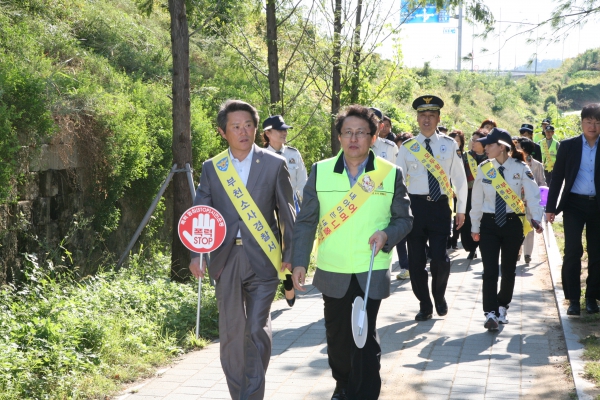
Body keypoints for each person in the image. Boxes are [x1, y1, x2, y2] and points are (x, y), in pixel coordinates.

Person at [291, 105, 412, 400]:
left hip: (370, 268)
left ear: (373, 137)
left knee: (365, 338)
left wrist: (387, 235)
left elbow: (405, 220)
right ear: (340, 137)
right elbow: (306, 220)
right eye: (348, 132)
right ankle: (343, 383)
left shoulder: (389, 173)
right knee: (338, 336)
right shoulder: (320, 172)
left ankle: (364, 393)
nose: (354, 138)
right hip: (333, 269)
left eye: (361, 132)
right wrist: (299, 262)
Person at [188, 100, 295, 399]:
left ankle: (252, 394)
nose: (243, 131)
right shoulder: (213, 168)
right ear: (223, 132)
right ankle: (240, 394)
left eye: (248, 125)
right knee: (232, 334)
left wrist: (291, 255)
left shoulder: (275, 164)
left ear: (256, 127)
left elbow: (286, 213)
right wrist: (197, 255)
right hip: (225, 259)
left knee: (256, 330)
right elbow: (201, 212)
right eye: (235, 126)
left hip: (263, 258)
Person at [396, 95, 468, 321]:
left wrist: (461, 210)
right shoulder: (408, 147)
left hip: (439, 207)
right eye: (422, 115)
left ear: (438, 118)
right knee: (416, 261)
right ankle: (424, 304)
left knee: (440, 258)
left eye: (431, 115)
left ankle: (439, 295)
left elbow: (460, 180)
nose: (426, 120)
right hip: (414, 207)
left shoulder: (449, 145)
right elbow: (398, 183)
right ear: (417, 119)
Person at [470, 128, 543, 331]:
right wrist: (474, 226)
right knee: (490, 270)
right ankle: (490, 312)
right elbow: (476, 200)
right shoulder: (484, 168)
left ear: (502, 147)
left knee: (509, 269)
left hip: (513, 224)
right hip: (489, 224)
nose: (485, 148)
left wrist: (537, 219)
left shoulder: (521, 167)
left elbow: (533, 194)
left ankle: (502, 306)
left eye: (490, 145)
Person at [546, 103, 600, 316]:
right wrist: (550, 207)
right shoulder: (569, 146)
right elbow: (557, 178)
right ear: (581, 123)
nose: (593, 126)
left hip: (597, 205)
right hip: (574, 205)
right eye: (589, 122)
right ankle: (573, 299)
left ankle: (592, 298)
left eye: (597, 122)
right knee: (572, 251)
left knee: (596, 253)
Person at [262, 114, 307, 307]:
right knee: (273, 248)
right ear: (267, 133)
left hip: (290, 208)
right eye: (280, 130)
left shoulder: (293, 154)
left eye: (285, 129)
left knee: (289, 246)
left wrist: (305, 207)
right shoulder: (259, 156)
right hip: (268, 210)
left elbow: (303, 182)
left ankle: (288, 282)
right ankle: (276, 283)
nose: (284, 133)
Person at [515, 137, 546, 264]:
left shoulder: (537, 165)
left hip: (531, 202)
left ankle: (528, 254)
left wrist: (541, 201)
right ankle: (517, 251)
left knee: (530, 228)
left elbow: (541, 183)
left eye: (518, 147)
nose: (515, 149)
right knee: (516, 228)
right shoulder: (514, 163)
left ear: (524, 149)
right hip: (516, 202)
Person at [460, 129, 488, 260]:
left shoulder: (489, 158)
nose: (473, 143)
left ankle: (481, 246)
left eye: (476, 140)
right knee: (467, 223)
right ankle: (471, 247)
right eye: (472, 139)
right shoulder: (466, 156)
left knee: (483, 220)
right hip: (468, 194)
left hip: (486, 195)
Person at [393, 132, 414, 280]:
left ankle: (418, 262)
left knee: (414, 236)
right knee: (400, 236)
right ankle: (404, 267)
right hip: (399, 198)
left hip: (416, 199)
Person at [447, 130, 465, 250]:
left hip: (459, 190)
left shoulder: (465, 156)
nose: (455, 143)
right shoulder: (446, 155)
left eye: (457, 141)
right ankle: (449, 239)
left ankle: (455, 239)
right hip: (448, 189)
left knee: (458, 216)